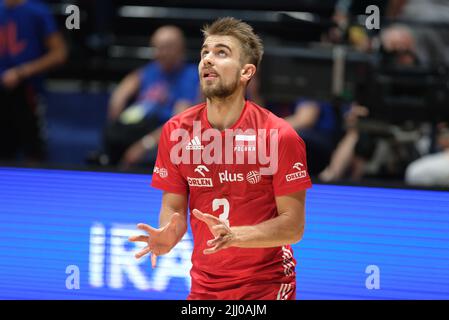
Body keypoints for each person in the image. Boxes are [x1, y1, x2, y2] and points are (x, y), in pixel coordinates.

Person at [128, 17, 312, 300]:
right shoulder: (177, 131)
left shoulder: (279, 135)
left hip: (266, 286)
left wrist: (236, 236)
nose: (208, 60)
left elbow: (293, 226)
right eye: (205, 52)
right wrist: (169, 233)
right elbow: (173, 207)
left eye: (221, 52)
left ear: (246, 72)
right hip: (204, 287)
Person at [97, 25, 200, 167]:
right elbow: (122, 92)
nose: (158, 53)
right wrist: (116, 112)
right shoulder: (151, 69)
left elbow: (179, 123)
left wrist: (143, 146)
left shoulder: (190, 76)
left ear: (180, 49)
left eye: (165, 48)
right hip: (133, 128)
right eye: (156, 48)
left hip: (159, 135)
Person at [0, 0, 67, 163]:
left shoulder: (38, 12)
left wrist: (22, 72)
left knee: (34, 153)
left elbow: (59, 54)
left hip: (27, 92)